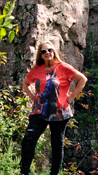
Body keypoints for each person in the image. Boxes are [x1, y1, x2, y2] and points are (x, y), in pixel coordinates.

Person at [20, 41, 87, 175]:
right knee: (28, 139)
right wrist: (33, 98)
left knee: (57, 145)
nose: (47, 53)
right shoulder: (37, 70)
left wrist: (71, 98)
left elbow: (82, 79)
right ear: (40, 55)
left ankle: (54, 173)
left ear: (53, 51)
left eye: (49, 50)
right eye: (43, 51)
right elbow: (25, 83)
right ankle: (24, 172)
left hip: (59, 111)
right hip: (39, 111)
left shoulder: (63, 67)